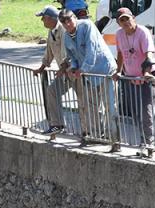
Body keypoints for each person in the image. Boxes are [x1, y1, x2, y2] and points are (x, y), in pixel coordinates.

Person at [61, 9, 120, 150]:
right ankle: (96, 136)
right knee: (91, 106)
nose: (67, 23)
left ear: (75, 18)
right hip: (88, 75)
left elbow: (92, 50)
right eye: (63, 21)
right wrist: (75, 67)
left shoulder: (87, 26)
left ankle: (114, 139)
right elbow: (72, 56)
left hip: (105, 70)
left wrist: (83, 69)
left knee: (109, 105)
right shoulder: (66, 37)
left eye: (69, 19)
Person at [114, 8, 155, 156]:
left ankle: (150, 144)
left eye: (128, 18)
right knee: (135, 113)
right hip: (130, 78)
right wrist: (119, 71)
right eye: (122, 20)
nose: (126, 22)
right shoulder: (119, 34)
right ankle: (143, 142)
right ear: (118, 23)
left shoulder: (143, 32)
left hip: (145, 79)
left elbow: (149, 53)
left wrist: (146, 72)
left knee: (146, 113)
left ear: (133, 18)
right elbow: (120, 53)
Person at [33, 6, 74, 135]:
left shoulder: (63, 29)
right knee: (52, 90)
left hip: (73, 69)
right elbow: (49, 53)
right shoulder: (51, 31)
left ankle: (89, 132)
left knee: (84, 100)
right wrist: (41, 68)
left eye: (43, 18)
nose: (42, 21)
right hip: (64, 71)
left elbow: (66, 51)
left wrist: (63, 68)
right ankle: (57, 124)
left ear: (50, 18)